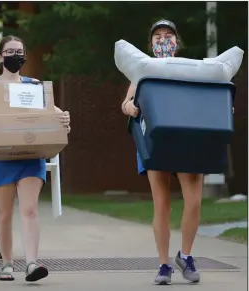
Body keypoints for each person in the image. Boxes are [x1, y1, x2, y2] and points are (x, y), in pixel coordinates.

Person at [0, 35, 71, 282]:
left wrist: (62, 117)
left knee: (30, 210)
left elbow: (49, 109)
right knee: (3, 214)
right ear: (0, 56)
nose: (16, 55)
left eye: (20, 51)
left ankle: (32, 263)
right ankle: (6, 264)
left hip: (30, 154)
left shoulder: (33, 84)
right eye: (10, 51)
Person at [122, 20, 205, 285]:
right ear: (151, 44)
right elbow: (127, 101)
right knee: (162, 203)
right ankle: (163, 265)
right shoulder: (143, 71)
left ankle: (186, 255)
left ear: (177, 42)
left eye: (168, 36)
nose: (163, 40)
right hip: (154, 140)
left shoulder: (190, 68)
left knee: (194, 200)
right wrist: (130, 108)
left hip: (188, 139)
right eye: (157, 36)